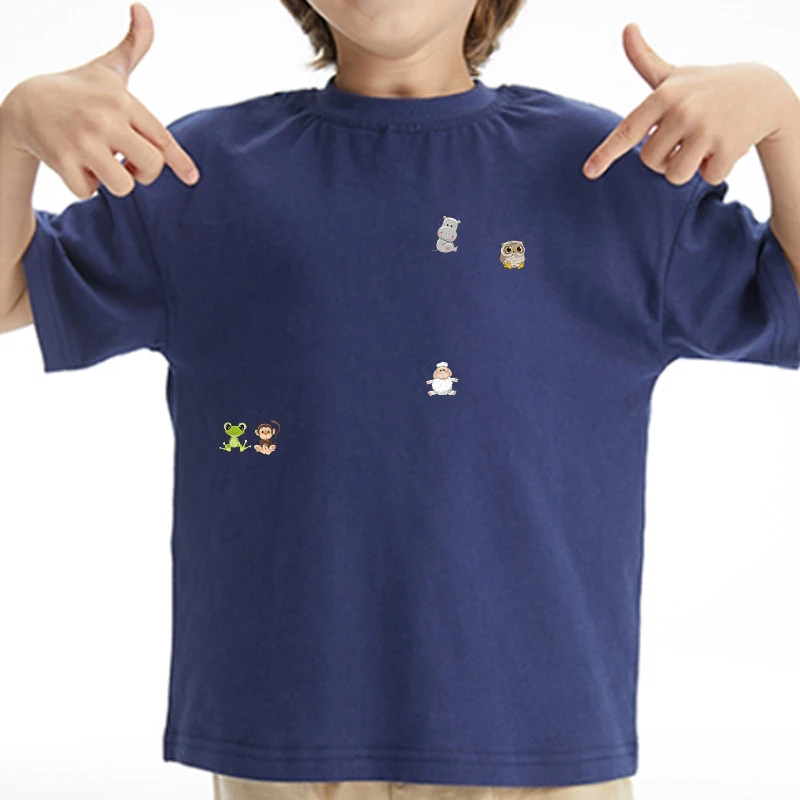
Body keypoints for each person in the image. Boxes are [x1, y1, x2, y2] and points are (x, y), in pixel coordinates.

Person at [2, 1, 799, 799]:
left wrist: (780, 120)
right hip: (286, 742)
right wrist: (14, 134)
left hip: (537, 745)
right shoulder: (198, 171)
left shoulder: (610, 171)